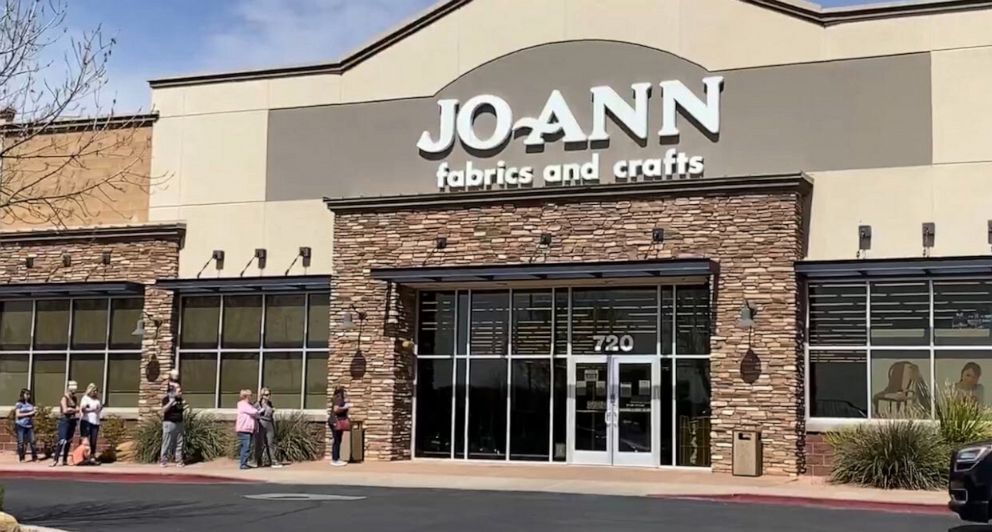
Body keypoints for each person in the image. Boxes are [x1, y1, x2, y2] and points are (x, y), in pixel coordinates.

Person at [51, 381, 79, 467]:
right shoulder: (64, 398)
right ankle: (55, 459)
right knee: (62, 440)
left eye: (74, 391)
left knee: (68, 441)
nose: (73, 393)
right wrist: (74, 410)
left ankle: (64, 460)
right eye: (72, 391)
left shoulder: (74, 399)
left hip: (72, 421)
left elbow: (77, 407)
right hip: (65, 421)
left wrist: (74, 409)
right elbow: (65, 410)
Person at [254, 387, 282, 468]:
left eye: (269, 394)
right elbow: (253, 413)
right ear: (262, 395)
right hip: (261, 423)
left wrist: (272, 411)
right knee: (259, 443)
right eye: (266, 395)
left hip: (269, 423)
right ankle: (258, 461)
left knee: (270, 443)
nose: (268, 396)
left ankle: (273, 461)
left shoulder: (269, 403)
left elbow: (271, 413)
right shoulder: (258, 403)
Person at [160, 385, 185, 467]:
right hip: (169, 423)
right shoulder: (166, 399)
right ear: (173, 392)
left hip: (179, 423)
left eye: (180, 391)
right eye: (179, 391)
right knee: (166, 442)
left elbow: (181, 410)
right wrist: (171, 402)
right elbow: (163, 410)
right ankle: (163, 461)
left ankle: (179, 461)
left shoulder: (180, 400)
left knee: (179, 443)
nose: (180, 393)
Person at [236, 389, 260, 470]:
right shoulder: (242, 404)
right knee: (245, 447)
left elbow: (256, 415)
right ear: (246, 396)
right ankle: (243, 464)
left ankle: (245, 462)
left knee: (247, 447)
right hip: (244, 429)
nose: (252, 397)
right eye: (250, 395)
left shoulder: (249, 405)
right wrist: (258, 411)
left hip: (249, 429)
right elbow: (253, 412)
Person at [79, 383, 103, 465]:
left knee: (94, 440)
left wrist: (99, 408)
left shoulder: (97, 400)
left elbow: (99, 408)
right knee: (85, 441)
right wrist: (92, 409)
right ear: (90, 390)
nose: (95, 392)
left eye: (96, 391)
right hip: (87, 421)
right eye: (94, 390)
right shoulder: (85, 398)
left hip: (95, 421)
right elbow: (83, 409)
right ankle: (83, 457)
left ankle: (92, 456)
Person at [328, 387, 352, 467]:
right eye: (345, 392)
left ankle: (337, 458)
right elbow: (336, 409)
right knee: (337, 440)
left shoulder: (338, 398)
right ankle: (335, 459)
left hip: (335, 421)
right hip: (336, 422)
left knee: (338, 440)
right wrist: (345, 407)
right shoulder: (338, 398)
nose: (346, 394)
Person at [14, 388, 38, 463]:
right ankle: (22, 458)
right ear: (22, 395)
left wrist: (35, 412)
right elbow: (18, 414)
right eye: (26, 394)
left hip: (29, 425)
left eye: (29, 394)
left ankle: (34, 457)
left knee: (33, 441)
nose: (28, 396)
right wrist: (29, 413)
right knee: (21, 442)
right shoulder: (19, 404)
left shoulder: (30, 404)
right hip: (20, 425)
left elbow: (33, 413)